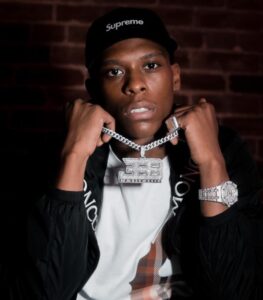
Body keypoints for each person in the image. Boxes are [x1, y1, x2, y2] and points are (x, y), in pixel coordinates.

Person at [1, 7, 263, 300]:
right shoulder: (58, 156)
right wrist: (74, 156)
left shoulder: (223, 149)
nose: (135, 84)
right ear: (94, 89)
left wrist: (212, 163)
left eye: (150, 66)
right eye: (114, 71)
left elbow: (234, 289)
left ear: (175, 76)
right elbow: (46, 290)